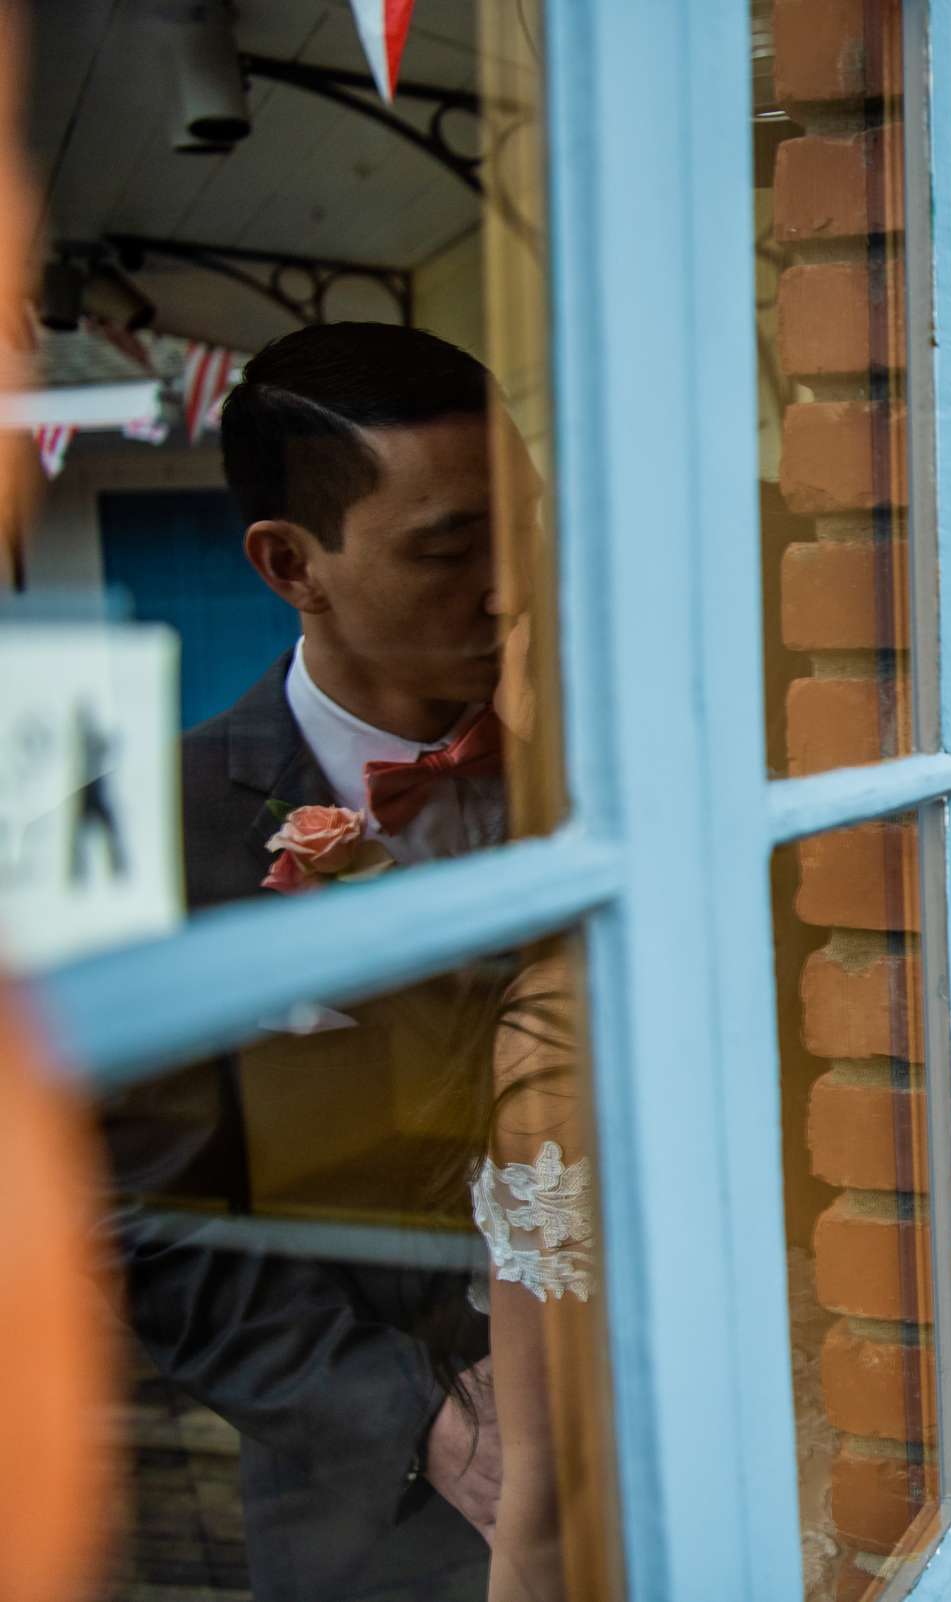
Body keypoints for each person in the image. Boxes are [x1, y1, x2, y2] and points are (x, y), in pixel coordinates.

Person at [105, 320, 529, 1602]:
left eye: (529, 522)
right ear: (293, 565)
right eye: (452, 548)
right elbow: (143, 1226)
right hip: (376, 1518)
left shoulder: (609, 765)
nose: (512, 583)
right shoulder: (147, 834)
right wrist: (429, 1427)